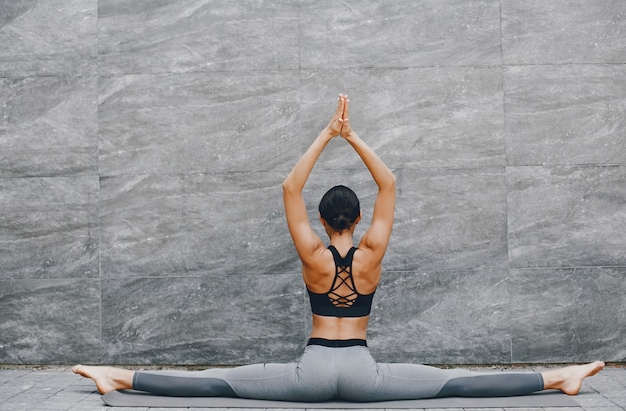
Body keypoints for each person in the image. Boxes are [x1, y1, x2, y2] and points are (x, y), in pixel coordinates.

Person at [73, 94, 604, 401]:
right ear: (357, 218)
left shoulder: (312, 252)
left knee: (220, 385)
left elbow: (289, 188)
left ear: (325, 221)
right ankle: (560, 378)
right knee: (454, 386)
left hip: (312, 370)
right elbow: (390, 184)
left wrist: (326, 135)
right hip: (365, 372)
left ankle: (115, 375)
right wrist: (353, 137)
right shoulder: (372, 249)